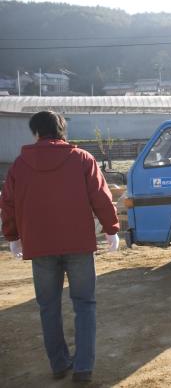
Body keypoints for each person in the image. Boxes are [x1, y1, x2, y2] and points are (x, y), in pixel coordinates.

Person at [0, 111, 119, 382]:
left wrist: (13, 237)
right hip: (78, 245)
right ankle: (83, 367)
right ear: (62, 130)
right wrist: (111, 229)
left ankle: (58, 364)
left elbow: (7, 203)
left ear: (36, 132)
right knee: (85, 304)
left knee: (48, 306)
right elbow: (101, 196)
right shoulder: (82, 159)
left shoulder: (20, 165)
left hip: (40, 247)